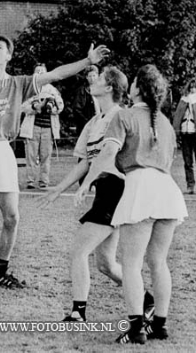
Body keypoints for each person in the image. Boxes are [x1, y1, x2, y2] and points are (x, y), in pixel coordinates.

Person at [0, 34, 109, 291]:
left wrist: (87, 60)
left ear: (8, 56)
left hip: (3, 150)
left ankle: (1, 272)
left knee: (12, 217)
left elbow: (55, 75)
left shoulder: (18, 83)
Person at [75, 64, 187, 344]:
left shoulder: (124, 115)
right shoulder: (163, 121)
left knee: (132, 264)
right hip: (167, 190)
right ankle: (159, 324)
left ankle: (136, 327)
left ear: (136, 88)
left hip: (140, 186)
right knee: (158, 261)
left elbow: (108, 153)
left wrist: (89, 180)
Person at [39, 66, 156, 322]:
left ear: (110, 87)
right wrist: (59, 189)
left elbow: (107, 158)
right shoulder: (94, 122)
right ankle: (148, 300)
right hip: (105, 192)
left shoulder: (121, 116)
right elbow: (85, 161)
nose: (92, 80)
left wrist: (85, 185)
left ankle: (78, 313)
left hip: (118, 191)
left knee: (78, 250)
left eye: (99, 78)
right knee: (105, 264)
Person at [172, 77, 196, 195]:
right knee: (188, 162)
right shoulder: (184, 99)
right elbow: (178, 116)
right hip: (186, 133)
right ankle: (190, 185)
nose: (193, 90)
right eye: (191, 87)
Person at [68, 65, 101, 136]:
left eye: (94, 75)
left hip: (101, 122)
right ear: (86, 77)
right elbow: (77, 109)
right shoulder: (82, 91)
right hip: (87, 124)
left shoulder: (103, 90)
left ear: (98, 76)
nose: (92, 78)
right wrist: (86, 121)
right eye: (90, 76)